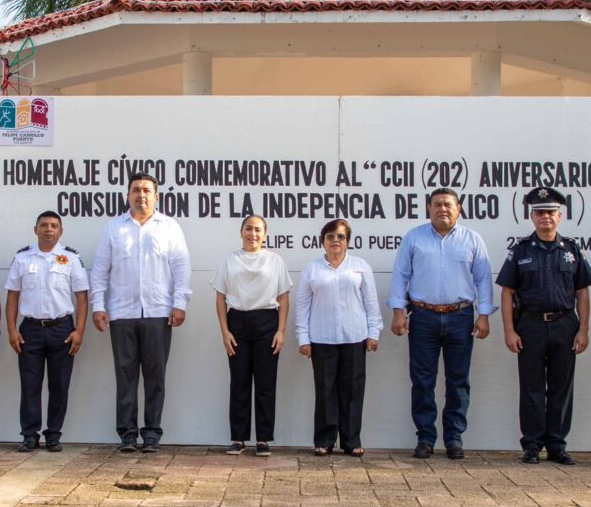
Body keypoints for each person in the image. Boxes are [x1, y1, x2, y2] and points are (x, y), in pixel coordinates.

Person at [389, 187, 495, 460]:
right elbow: (401, 275)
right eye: (437, 204)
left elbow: (483, 279)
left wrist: (484, 315)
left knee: (458, 380)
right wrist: (398, 311)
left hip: (461, 317)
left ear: (458, 208)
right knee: (422, 380)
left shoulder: (472, 239)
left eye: (448, 204)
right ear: (429, 208)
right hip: (423, 316)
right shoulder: (414, 237)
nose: (442, 209)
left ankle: (454, 437)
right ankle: (425, 438)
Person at [90, 172, 191, 454]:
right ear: (128, 195)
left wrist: (180, 302)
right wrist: (98, 305)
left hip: (159, 312)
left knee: (156, 377)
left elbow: (181, 268)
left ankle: (152, 434)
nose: (141, 195)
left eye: (147, 190)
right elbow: (100, 271)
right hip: (121, 313)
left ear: (156, 196)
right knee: (125, 376)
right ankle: (127, 435)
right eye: (136, 190)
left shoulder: (169, 227)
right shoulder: (113, 228)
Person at [496, 188, 591, 465]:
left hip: (565, 324)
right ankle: (531, 444)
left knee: (561, 387)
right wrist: (509, 330)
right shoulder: (520, 250)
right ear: (532, 216)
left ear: (560, 216)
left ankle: (557, 444)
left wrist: (584, 330)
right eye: (540, 213)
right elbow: (507, 292)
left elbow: (582, 293)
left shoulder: (572, 250)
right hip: (530, 325)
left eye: (551, 212)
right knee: (531, 387)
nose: (545, 218)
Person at [296, 219, 382, 457]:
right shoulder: (312, 269)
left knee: (353, 391)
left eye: (341, 236)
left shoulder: (360, 266)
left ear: (348, 241)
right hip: (321, 338)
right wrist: (303, 337)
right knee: (325, 391)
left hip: (355, 337)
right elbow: (302, 307)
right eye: (330, 236)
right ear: (322, 241)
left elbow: (371, 303)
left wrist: (373, 332)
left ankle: (351, 441)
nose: (335, 241)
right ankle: (324, 440)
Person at [5, 211, 89, 453]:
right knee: (30, 385)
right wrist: (11, 330)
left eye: (54, 226)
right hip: (29, 329)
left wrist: (79, 331)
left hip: (62, 329)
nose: (49, 229)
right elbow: (12, 295)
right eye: (44, 225)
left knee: (59, 385)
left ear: (61, 231)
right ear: (35, 229)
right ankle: (29, 435)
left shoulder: (71, 258)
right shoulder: (22, 258)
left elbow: (82, 297)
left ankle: (53, 434)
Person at [212, 215, 292, 457]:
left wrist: (281, 330)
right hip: (237, 322)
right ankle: (238, 438)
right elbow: (220, 298)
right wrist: (225, 331)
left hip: (267, 322)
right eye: (248, 229)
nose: (253, 234)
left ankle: (264, 439)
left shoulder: (275, 260)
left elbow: (284, 297)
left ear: (265, 234)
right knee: (239, 382)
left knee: (266, 384)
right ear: (241, 232)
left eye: (258, 230)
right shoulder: (229, 260)